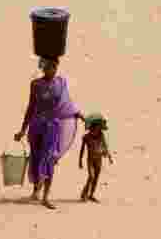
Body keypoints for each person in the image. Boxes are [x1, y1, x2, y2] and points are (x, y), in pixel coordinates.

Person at [14, 56, 83, 209]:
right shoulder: (36, 84)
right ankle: (35, 192)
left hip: (53, 126)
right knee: (37, 158)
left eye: (55, 67)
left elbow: (67, 103)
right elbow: (31, 107)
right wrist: (22, 130)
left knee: (50, 158)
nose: (53, 70)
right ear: (43, 68)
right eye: (49, 67)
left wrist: (78, 114)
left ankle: (46, 196)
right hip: (36, 126)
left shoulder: (61, 82)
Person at [78, 113, 112, 202]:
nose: (98, 128)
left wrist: (109, 156)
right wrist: (80, 161)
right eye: (97, 127)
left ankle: (91, 195)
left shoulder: (101, 135)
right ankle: (84, 194)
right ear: (93, 127)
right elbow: (82, 150)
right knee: (91, 177)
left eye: (99, 127)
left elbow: (105, 146)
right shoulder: (86, 137)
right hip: (90, 160)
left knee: (96, 178)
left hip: (99, 159)